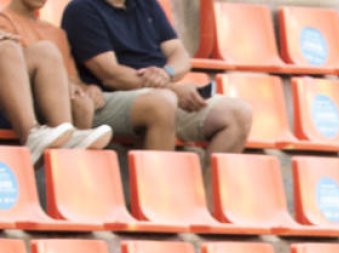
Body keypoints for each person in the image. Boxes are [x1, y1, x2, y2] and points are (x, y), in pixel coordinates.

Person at [61, 0, 251, 153]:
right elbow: (112, 75)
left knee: (238, 113)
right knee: (162, 102)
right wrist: (171, 89)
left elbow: (180, 54)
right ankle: (158, 189)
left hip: (160, 91)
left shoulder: (147, 4)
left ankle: (204, 190)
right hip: (107, 98)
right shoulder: (81, 9)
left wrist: (166, 73)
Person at [0, 0, 112, 164]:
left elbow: (74, 79)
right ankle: (30, 134)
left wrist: (86, 88)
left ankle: (65, 133)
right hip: (16, 94)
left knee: (47, 51)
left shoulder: (56, 33)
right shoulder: (4, 18)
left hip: (34, 94)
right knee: (7, 49)